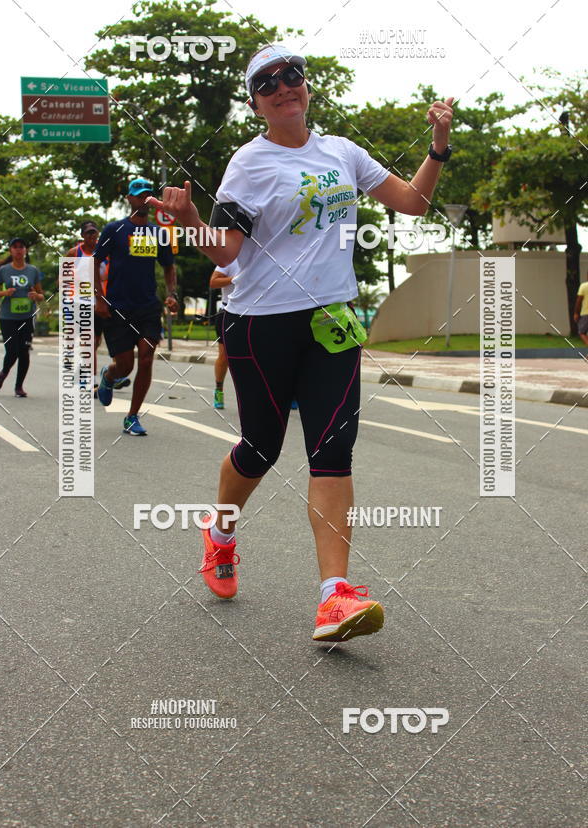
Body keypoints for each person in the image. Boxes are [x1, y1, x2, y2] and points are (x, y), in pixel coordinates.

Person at [148, 43, 453, 642]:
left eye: (292, 75)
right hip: (260, 322)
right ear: (255, 103)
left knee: (333, 451)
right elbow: (228, 252)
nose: (283, 86)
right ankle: (220, 532)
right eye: (267, 83)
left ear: (306, 86)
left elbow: (413, 203)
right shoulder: (249, 164)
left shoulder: (343, 153)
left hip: (332, 320)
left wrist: (437, 145)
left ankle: (334, 596)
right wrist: (190, 224)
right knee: (260, 447)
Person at [93, 178, 178, 436]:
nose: (144, 200)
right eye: (139, 195)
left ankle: (132, 416)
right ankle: (109, 376)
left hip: (147, 307)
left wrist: (172, 294)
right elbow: (94, 262)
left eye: (148, 196)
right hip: (118, 307)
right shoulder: (115, 229)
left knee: (147, 358)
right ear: (129, 199)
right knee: (125, 366)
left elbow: (168, 266)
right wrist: (99, 299)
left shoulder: (158, 233)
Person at [64, 219, 131, 396]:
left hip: (102, 303)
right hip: (80, 303)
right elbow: (63, 279)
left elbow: (113, 274)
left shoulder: (105, 253)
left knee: (106, 340)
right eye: (88, 233)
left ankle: (114, 374)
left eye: (94, 232)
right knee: (90, 342)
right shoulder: (74, 253)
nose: (92, 236)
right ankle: (91, 381)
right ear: (82, 235)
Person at [0, 238, 44, 397]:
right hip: (8, 318)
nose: (18, 250)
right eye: (15, 247)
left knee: (24, 351)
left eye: (21, 247)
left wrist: (36, 296)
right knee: (12, 350)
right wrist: (4, 293)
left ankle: (19, 387)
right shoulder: (4, 270)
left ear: (25, 250)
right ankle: (4, 373)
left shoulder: (33, 271)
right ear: (11, 250)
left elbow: (41, 295)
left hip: (27, 317)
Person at [209, 259, 240, 409]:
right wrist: (235, 279)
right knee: (224, 355)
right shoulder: (229, 260)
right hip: (228, 312)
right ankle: (219, 389)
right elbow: (213, 282)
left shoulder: (260, 258)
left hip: (254, 312)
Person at [573, 271, 588, 345]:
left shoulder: (584, 286)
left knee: (582, 332)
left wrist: (576, 313)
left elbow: (578, 301)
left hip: (586, 313)